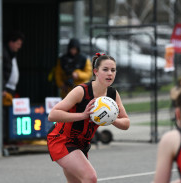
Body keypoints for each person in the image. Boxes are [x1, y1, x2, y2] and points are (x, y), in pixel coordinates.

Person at [47, 53, 130, 183]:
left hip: (82, 144)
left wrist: (112, 119)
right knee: (90, 178)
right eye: (105, 69)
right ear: (95, 72)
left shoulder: (112, 94)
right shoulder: (81, 91)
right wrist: (83, 115)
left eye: (113, 70)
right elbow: (52, 115)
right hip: (62, 140)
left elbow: (126, 123)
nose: (110, 73)